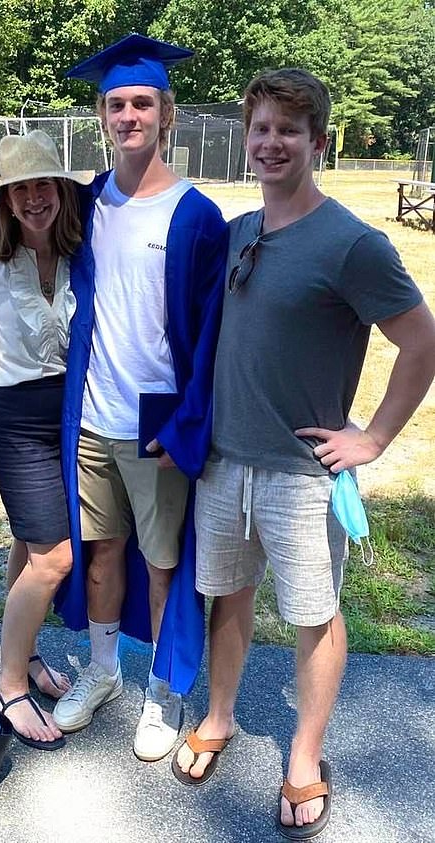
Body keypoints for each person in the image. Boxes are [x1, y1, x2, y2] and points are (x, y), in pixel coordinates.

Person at [173, 68, 435, 839]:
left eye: (289, 129)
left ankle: (305, 756)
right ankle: (219, 715)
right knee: (228, 595)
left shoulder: (353, 244)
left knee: (316, 616)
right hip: (223, 461)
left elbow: (420, 342)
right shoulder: (239, 233)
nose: (271, 142)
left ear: (317, 141)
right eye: (260, 128)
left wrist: (374, 436)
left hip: (301, 474)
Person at [53, 34, 228, 762]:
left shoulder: (196, 216)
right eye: (117, 103)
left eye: (143, 103)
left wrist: (187, 423)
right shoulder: (86, 203)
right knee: (100, 557)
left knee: (162, 564)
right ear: (101, 115)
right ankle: (102, 673)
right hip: (91, 414)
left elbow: (214, 338)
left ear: (168, 115)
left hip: (156, 422)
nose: (129, 115)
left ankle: (162, 689)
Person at [0, 131, 93, 749]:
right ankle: (9, 682)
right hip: (15, 415)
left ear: (60, 191)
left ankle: (28, 650)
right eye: (21, 188)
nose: (35, 197)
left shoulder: (79, 252)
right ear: (7, 200)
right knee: (57, 556)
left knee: (27, 539)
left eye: (45, 184)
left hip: (70, 412)